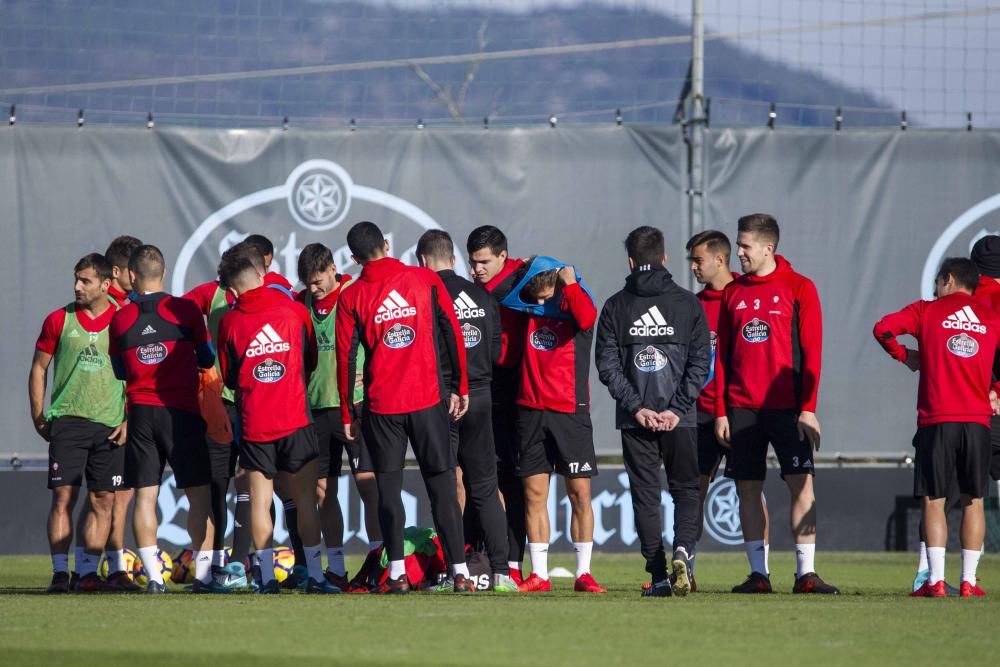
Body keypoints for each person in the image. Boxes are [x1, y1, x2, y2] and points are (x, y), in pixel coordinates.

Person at [335, 221, 473, 594]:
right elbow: (452, 332)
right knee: (442, 486)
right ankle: (459, 572)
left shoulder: (350, 297)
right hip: (427, 400)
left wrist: (348, 412)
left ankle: (396, 573)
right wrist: (459, 385)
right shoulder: (424, 279)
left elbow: (346, 361)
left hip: (383, 408)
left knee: (389, 490)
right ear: (386, 244)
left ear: (353, 258)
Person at [713, 214, 839, 594]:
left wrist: (808, 406)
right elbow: (721, 357)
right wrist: (721, 410)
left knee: (802, 486)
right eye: (738, 245)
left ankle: (806, 574)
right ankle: (758, 574)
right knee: (746, 489)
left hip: (788, 409)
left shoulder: (800, 288)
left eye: (745, 246)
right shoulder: (732, 293)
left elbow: (812, 352)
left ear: (769, 248)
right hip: (742, 409)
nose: (738, 253)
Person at [216, 243, 339, 594]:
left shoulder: (229, 322)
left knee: (260, 502)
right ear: (261, 275)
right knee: (305, 501)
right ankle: (315, 577)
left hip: (256, 423)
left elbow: (228, 376)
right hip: (296, 419)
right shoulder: (294, 311)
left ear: (229, 290)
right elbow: (310, 359)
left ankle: (267, 580)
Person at [596, 227, 710, 597]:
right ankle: (683, 552)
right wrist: (677, 409)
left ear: (630, 262)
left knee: (646, 495)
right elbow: (700, 364)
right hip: (682, 420)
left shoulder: (615, 306)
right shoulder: (688, 304)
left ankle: (659, 576)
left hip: (636, 420)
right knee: (686, 491)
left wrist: (637, 407)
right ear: (664, 258)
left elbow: (607, 366)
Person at [874, 257, 997, 597]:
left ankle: (935, 581)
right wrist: (995, 391)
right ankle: (970, 583)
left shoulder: (926, 311)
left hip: (938, 419)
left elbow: (882, 328)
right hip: (978, 421)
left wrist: (905, 355)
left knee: (934, 500)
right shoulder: (991, 316)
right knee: (973, 500)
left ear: (946, 279)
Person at [108, 245, 217, 593]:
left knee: (145, 496)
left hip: (140, 413)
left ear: (132, 276)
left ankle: (154, 577)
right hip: (181, 412)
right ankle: (202, 576)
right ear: (164, 273)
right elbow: (206, 357)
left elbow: (119, 370)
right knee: (199, 495)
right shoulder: (185, 311)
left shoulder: (120, 318)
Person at [416, 230, 519, 592]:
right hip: (482, 394)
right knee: (485, 486)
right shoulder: (481, 295)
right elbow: (494, 352)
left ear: (423, 263)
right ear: (455, 259)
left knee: (445, 486)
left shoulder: (427, 295)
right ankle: (503, 573)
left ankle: (453, 571)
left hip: (444, 397)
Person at [502, 257, 605, 594]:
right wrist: (524, 267)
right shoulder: (527, 303)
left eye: (544, 292)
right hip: (531, 411)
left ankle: (584, 573)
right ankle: (540, 575)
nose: (540, 301)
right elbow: (504, 295)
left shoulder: (576, 300)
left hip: (569, 411)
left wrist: (570, 282)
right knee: (534, 495)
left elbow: (588, 318)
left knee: (580, 493)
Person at [30, 254, 128, 593]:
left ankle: (87, 574)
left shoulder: (123, 320)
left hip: (111, 425)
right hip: (67, 422)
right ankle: (60, 573)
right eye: (76, 279)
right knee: (63, 498)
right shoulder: (58, 319)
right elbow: (39, 368)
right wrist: (38, 415)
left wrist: (128, 417)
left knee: (104, 500)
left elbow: (138, 374)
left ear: (105, 284)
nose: (77, 286)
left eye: (85, 280)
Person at [296, 242, 382, 590]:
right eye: (308, 284)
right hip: (317, 408)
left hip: (357, 405)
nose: (314, 290)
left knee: (368, 486)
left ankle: (379, 561)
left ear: (333, 268)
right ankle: (336, 567)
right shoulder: (301, 302)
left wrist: (371, 373)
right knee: (321, 491)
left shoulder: (353, 293)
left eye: (318, 282)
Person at [685, 230, 769, 587]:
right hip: (700, 412)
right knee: (693, 490)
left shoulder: (746, 296)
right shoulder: (690, 305)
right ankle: (684, 567)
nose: (692, 267)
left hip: (739, 409)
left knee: (749, 489)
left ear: (720, 259)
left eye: (697, 260)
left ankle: (761, 572)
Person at [466, 225, 528, 582]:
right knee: (478, 477)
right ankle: (480, 558)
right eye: (473, 262)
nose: (477, 269)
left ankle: (514, 564)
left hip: (515, 390)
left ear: (503, 256)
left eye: (484, 261)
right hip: (481, 389)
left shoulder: (524, 281)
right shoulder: (473, 291)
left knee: (511, 479)